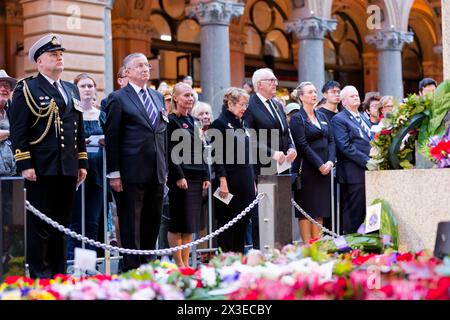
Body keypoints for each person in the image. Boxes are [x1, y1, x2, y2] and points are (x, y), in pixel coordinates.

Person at [9, 34, 88, 278]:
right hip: (41, 168)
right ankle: (40, 279)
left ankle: (59, 275)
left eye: (61, 54)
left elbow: (78, 129)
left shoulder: (70, 89)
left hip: (67, 167)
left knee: (61, 226)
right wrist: (25, 163)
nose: (59, 58)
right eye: (53, 55)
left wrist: (82, 162)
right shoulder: (27, 88)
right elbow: (19, 130)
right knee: (40, 227)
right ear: (39, 61)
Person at [105, 52, 168, 272]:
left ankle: (148, 266)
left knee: (152, 220)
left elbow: (161, 133)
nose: (145, 69)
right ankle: (132, 268)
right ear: (127, 72)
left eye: (147, 66)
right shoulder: (118, 98)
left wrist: (165, 167)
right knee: (131, 222)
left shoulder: (157, 97)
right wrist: (114, 172)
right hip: (130, 172)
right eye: (139, 66)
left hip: (157, 171)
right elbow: (113, 137)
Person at [243, 68, 297, 248]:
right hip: (262, 167)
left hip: (282, 167)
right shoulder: (250, 105)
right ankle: (263, 251)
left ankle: (282, 250)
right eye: (271, 80)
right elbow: (249, 138)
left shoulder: (277, 104)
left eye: (275, 79)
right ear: (259, 84)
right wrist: (272, 153)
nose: (276, 83)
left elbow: (286, 132)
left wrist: (291, 148)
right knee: (264, 214)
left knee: (281, 212)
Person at [167, 82, 210, 267]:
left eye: (191, 95)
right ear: (175, 98)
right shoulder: (170, 121)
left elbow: (202, 150)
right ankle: (179, 264)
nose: (190, 99)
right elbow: (170, 151)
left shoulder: (195, 122)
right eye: (185, 95)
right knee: (178, 222)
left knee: (190, 224)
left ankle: (186, 262)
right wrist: (178, 176)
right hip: (181, 177)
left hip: (196, 177)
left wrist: (207, 175)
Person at [210, 87, 256, 253]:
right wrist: (222, 181)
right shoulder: (219, 124)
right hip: (228, 181)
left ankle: (238, 259)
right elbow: (217, 156)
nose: (244, 108)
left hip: (245, 180)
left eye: (246, 105)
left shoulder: (242, 124)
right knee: (227, 223)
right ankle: (226, 260)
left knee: (243, 222)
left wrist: (252, 180)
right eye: (241, 104)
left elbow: (247, 154)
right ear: (230, 103)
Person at [290, 82, 335, 243]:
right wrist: (319, 164)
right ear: (301, 97)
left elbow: (331, 140)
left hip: (324, 170)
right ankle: (308, 247)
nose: (314, 94)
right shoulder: (297, 118)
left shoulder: (322, 116)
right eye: (310, 92)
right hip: (308, 170)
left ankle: (318, 246)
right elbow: (302, 145)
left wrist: (330, 162)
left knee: (319, 209)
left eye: (315, 91)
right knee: (306, 210)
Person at [67, 73, 105, 260]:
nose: (88, 89)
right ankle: (71, 263)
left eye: (90, 86)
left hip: (97, 173)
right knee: (74, 222)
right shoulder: (70, 113)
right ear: (76, 90)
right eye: (83, 86)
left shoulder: (102, 116)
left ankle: (88, 266)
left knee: (92, 222)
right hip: (75, 172)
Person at [332, 86, 371, 234]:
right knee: (353, 213)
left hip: (368, 172)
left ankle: (365, 244)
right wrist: (367, 161)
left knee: (366, 212)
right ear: (343, 102)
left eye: (357, 95)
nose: (356, 97)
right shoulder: (339, 119)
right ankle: (350, 245)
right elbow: (345, 146)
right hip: (353, 173)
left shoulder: (363, 117)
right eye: (352, 96)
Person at [0, 70, 17, 177]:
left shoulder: (12, 112)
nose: (3, 89)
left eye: (6, 86)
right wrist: (13, 132)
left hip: (12, 172)